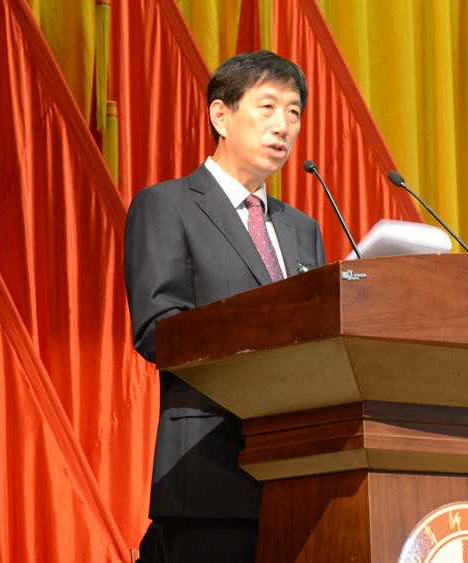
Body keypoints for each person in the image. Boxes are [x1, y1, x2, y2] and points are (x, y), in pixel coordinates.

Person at [124, 50, 327, 562]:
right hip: (210, 469)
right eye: (267, 106)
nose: (283, 125)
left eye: (294, 112)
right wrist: (267, 332)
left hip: (301, 472)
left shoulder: (302, 228)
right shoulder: (167, 205)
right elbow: (159, 330)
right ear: (221, 114)